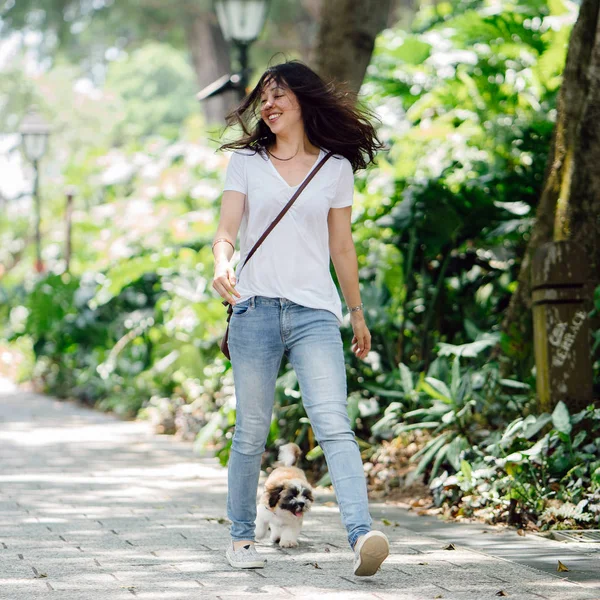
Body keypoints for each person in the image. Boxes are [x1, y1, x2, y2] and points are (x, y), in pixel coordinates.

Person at [211, 59, 389, 577]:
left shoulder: (334, 168)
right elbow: (226, 229)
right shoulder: (246, 163)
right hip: (256, 309)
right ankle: (242, 537)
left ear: (304, 100)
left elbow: (342, 247)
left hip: (315, 312)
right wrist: (223, 263)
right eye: (262, 98)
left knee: (334, 425)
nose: (267, 105)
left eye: (278, 95)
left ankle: (362, 538)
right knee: (250, 431)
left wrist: (356, 311)